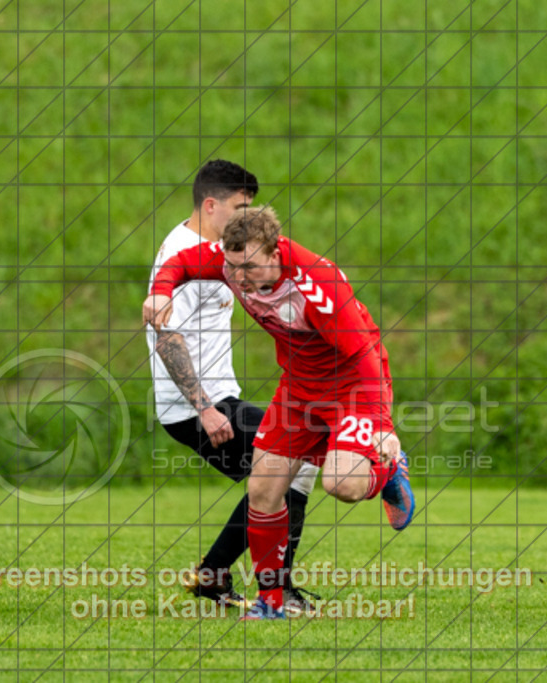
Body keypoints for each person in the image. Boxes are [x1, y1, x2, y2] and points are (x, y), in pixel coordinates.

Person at [145, 205, 414, 620]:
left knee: (341, 484)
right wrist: (161, 291)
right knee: (263, 489)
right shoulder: (232, 262)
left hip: (354, 386)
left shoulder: (317, 284)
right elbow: (179, 263)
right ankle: (272, 602)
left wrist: (381, 425)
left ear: (275, 253)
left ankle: (390, 468)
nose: (238, 278)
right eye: (231, 267)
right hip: (299, 391)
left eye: (249, 267)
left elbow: (364, 357)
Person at [146, 161, 321, 614]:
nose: (246, 216)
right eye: (240, 206)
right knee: (286, 466)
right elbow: (167, 338)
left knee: (290, 467)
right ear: (211, 205)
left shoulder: (219, 251)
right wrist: (205, 408)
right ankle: (273, 590)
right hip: (196, 407)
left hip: (218, 396)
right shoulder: (181, 251)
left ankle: (216, 577)